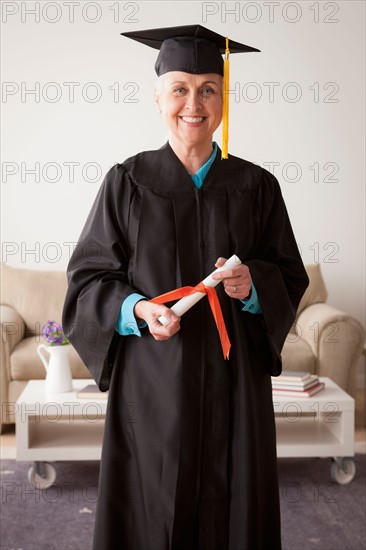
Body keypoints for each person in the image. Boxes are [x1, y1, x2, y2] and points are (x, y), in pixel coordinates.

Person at [62, 24, 309, 550]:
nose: (193, 103)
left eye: (208, 89)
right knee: (152, 505)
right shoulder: (126, 183)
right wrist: (138, 310)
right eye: (180, 88)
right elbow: (88, 282)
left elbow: (288, 273)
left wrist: (253, 287)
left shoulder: (257, 186)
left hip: (234, 381)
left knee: (235, 507)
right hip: (153, 382)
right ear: (157, 98)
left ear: (223, 99)